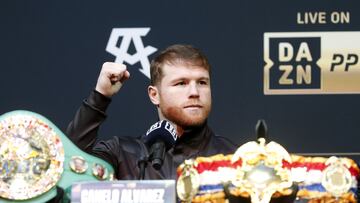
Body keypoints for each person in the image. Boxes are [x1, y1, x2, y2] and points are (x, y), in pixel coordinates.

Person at [66, 44, 237, 180]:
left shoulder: (235, 158)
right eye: (181, 83)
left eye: (202, 82)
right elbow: (70, 167)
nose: (195, 92)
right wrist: (100, 96)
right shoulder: (122, 153)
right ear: (154, 95)